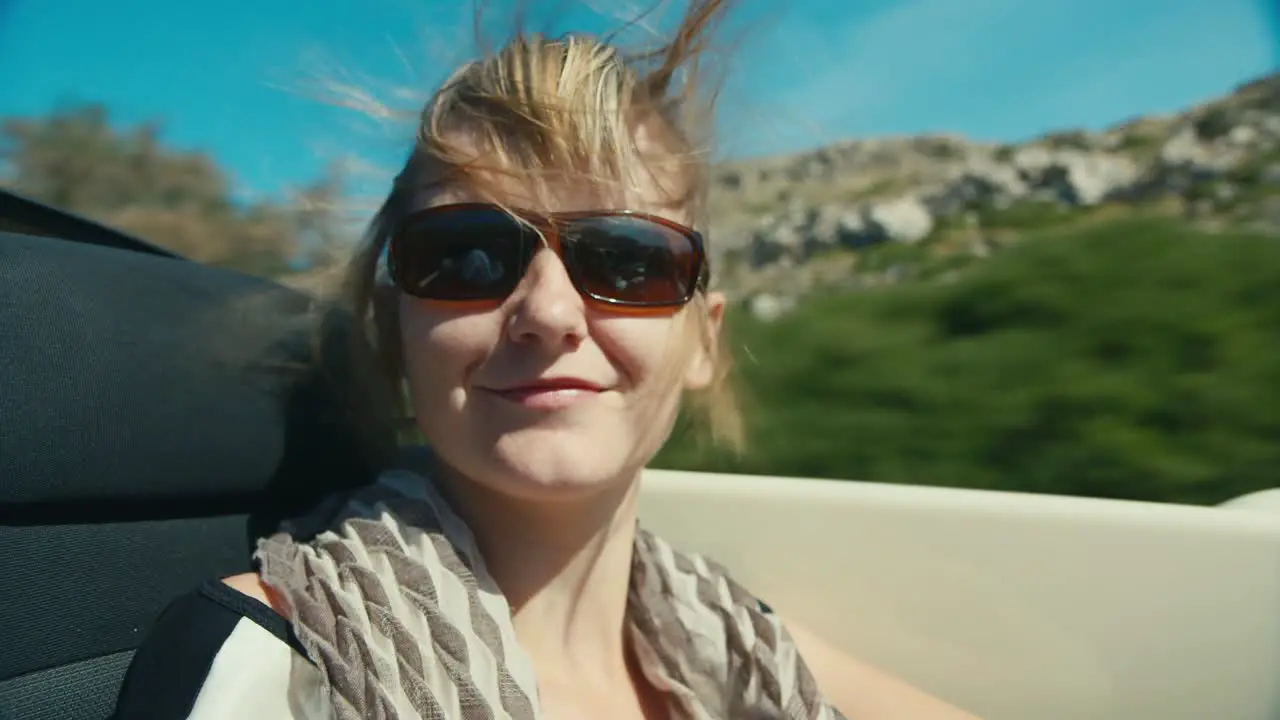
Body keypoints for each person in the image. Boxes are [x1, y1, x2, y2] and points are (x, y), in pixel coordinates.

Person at [113, 1, 980, 718]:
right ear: (396, 329)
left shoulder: (746, 647)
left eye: (630, 260)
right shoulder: (264, 667)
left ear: (704, 341)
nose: (549, 312)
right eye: (465, 257)